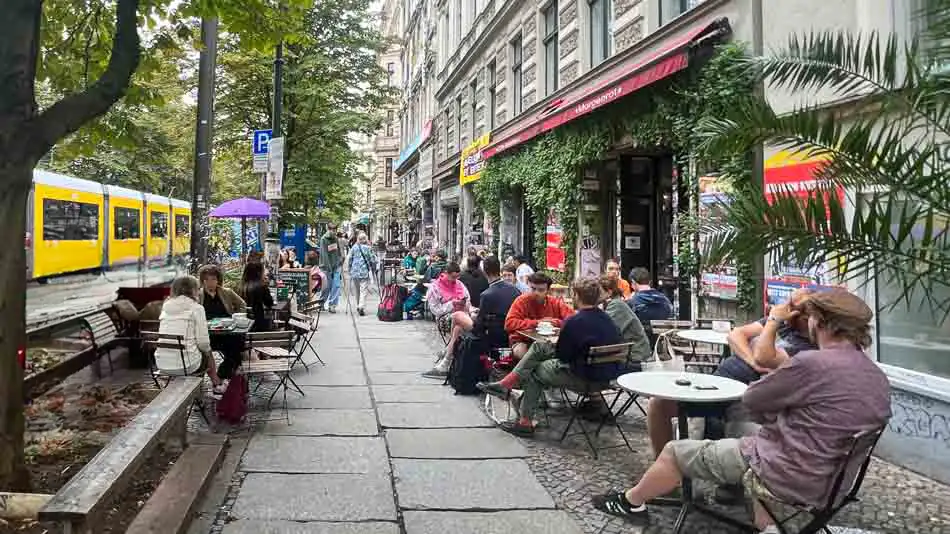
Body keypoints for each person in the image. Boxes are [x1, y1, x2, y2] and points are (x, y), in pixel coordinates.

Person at [593, 289, 891, 531]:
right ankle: (769, 525)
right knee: (741, 432)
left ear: (820, 322)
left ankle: (630, 502)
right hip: (830, 484)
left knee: (675, 451)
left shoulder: (812, 363)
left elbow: (753, 402)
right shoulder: (876, 377)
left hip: (782, 472)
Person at [644, 288, 817, 460]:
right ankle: (663, 468)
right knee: (658, 404)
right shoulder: (784, 326)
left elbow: (764, 357)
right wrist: (751, 360)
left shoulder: (805, 347)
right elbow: (735, 335)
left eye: (792, 306)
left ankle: (674, 470)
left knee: (662, 405)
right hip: (718, 384)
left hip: (742, 396)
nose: (785, 308)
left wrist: (773, 321)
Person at [486, 277, 626, 437]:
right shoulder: (608, 319)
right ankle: (508, 385)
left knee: (533, 369)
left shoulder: (574, 322)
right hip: (607, 377)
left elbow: (563, 356)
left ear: (577, 296)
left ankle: (524, 421)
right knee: (539, 349)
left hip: (584, 378)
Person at [156, 275, 226, 394]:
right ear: (193, 290)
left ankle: (214, 385)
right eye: (198, 288)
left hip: (162, 363)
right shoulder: (196, 308)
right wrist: (207, 350)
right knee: (207, 353)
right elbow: (203, 343)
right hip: (187, 365)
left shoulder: (165, 307)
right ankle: (216, 384)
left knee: (201, 353)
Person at [503, 272, 573, 360]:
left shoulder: (555, 302)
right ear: (528, 286)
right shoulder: (521, 301)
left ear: (548, 291)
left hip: (550, 343)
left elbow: (573, 321)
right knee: (523, 353)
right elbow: (509, 323)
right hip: (523, 342)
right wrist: (537, 323)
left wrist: (554, 322)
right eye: (533, 289)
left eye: (540, 290)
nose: (536, 293)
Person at [422, 262, 471, 378]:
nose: (455, 280)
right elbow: (436, 310)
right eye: (453, 277)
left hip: (461, 314)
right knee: (459, 321)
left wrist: (464, 304)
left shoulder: (460, 285)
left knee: (459, 325)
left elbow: (468, 301)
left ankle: (446, 357)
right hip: (444, 316)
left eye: (457, 277)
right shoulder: (435, 288)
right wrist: (452, 304)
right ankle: (447, 358)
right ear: (445, 274)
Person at [470, 256, 521, 351]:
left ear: (484, 272)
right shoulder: (516, 290)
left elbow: (479, 326)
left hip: (494, 338)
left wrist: (473, 316)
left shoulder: (486, 295)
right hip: (513, 334)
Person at [599, 275, 650, 365]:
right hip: (632, 353)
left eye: (599, 291)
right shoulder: (616, 303)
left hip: (635, 356)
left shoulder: (616, 305)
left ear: (609, 292)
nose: (596, 294)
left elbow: (605, 333)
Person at [345, 232, 379, 316]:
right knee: (363, 290)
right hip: (364, 272)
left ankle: (358, 305)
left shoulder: (354, 247)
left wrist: (349, 269)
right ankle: (361, 306)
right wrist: (374, 267)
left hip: (355, 272)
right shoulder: (368, 248)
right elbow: (373, 260)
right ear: (365, 240)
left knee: (357, 290)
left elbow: (350, 259)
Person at [239, 262, 274, 332]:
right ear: (259, 273)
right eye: (263, 271)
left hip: (242, 323)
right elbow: (269, 303)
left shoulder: (240, 286)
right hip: (258, 324)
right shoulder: (261, 286)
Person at [319, 223, 344, 313]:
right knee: (327, 287)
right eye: (332, 230)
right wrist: (329, 269)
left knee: (336, 286)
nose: (334, 232)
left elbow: (338, 251)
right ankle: (321, 303)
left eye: (335, 230)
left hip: (336, 266)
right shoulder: (323, 239)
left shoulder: (335, 239)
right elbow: (324, 255)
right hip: (326, 267)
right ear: (328, 229)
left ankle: (332, 305)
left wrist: (340, 259)